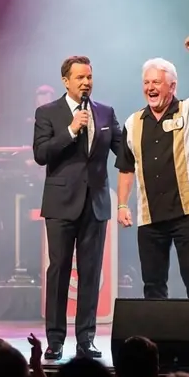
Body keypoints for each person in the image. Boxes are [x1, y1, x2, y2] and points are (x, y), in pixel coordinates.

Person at [116, 36, 189, 299]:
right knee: (153, 284)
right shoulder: (132, 123)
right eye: (146, 82)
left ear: (172, 86)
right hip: (150, 217)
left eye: (156, 82)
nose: (150, 87)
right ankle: (155, 339)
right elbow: (126, 168)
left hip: (188, 213)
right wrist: (121, 205)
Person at [33, 55, 123, 360]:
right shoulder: (48, 113)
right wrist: (71, 130)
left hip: (95, 204)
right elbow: (41, 154)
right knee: (58, 271)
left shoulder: (106, 112)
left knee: (91, 272)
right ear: (66, 81)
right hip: (60, 204)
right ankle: (55, 340)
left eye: (89, 77)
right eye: (80, 78)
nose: (86, 82)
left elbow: (123, 151)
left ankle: (86, 339)